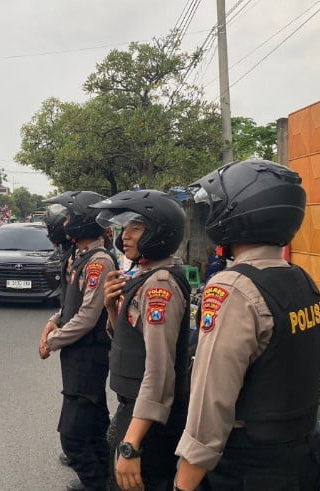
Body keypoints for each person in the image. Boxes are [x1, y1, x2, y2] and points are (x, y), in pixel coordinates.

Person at [174, 160, 320, 491]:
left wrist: (184, 483)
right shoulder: (301, 279)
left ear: (236, 211)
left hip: (248, 467)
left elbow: (212, 401)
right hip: (304, 458)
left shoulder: (233, 288)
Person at [91, 190, 191, 491]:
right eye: (124, 228)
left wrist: (131, 444)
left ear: (160, 230)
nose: (125, 236)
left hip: (148, 423)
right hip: (134, 412)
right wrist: (111, 307)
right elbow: (131, 340)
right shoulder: (144, 275)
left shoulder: (160, 284)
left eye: (136, 227)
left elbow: (159, 371)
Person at [38, 191, 117, 491]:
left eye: (70, 217)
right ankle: (104, 475)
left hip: (90, 353)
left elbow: (87, 316)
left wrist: (52, 341)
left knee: (72, 435)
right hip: (77, 352)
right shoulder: (81, 256)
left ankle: (96, 483)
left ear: (84, 220)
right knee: (95, 417)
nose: (65, 223)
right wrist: (53, 320)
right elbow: (71, 303)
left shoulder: (99, 262)